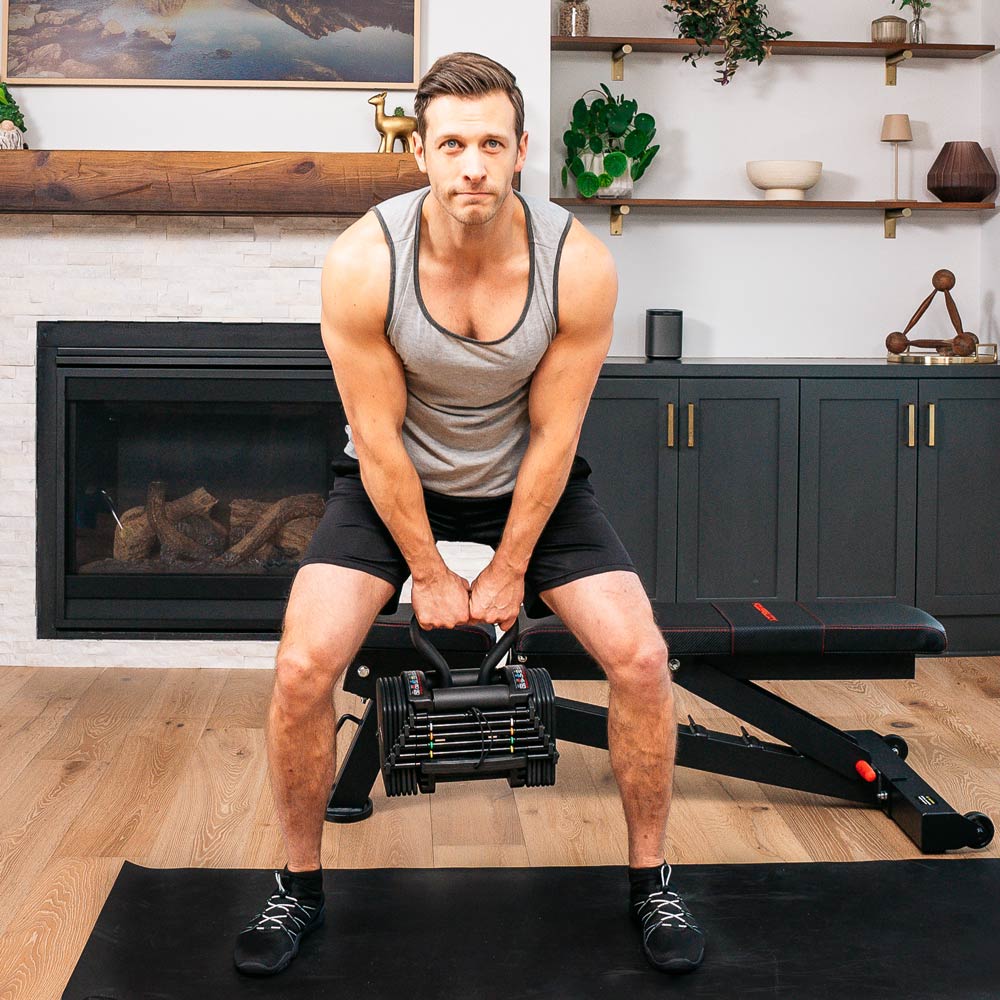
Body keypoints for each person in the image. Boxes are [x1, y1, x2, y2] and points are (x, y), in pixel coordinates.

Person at [234, 51, 705, 978]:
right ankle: (298, 886)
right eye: (452, 145)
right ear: (421, 153)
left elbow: (557, 435)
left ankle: (651, 878)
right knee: (301, 668)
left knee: (643, 660)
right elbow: (376, 441)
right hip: (391, 486)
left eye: (492, 144)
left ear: (522, 150)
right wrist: (430, 570)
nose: (473, 166)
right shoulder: (365, 260)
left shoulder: (579, 264)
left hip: (532, 486)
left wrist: (509, 565)